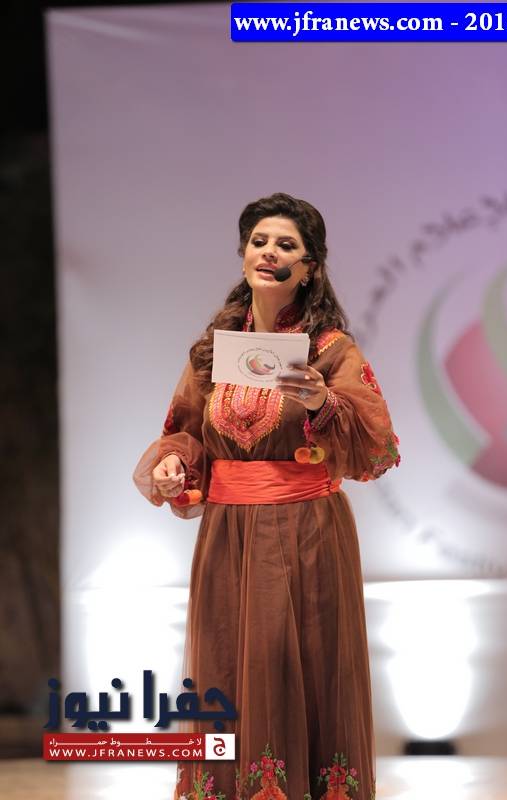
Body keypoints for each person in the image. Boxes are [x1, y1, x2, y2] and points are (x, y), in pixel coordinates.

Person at [133, 192, 400, 800]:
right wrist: (176, 463)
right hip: (228, 533)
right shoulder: (215, 348)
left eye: (286, 245)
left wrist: (322, 401)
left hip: (307, 528)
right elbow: (186, 432)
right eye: (259, 242)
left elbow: (376, 445)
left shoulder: (330, 350)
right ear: (243, 254)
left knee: (294, 659)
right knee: (230, 661)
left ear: (310, 267)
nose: (269, 253)